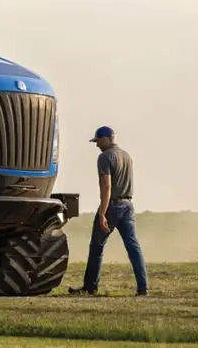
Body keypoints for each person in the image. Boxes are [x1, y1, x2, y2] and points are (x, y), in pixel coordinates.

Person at [68, 126, 148, 296]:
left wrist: (103, 213)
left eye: (97, 141)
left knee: (97, 246)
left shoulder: (104, 157)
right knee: (133, 247)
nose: (97, 145)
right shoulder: (127, 156)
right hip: (128, 205)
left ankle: (90, 287)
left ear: (105, 139)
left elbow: (106, 186)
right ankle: (143, 288)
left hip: (112, 206)